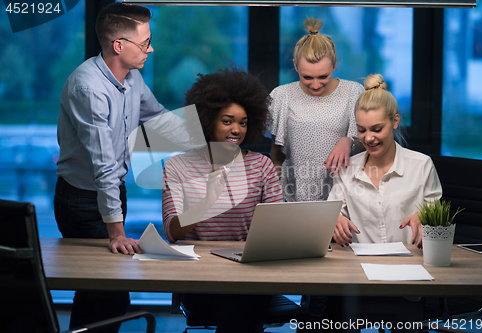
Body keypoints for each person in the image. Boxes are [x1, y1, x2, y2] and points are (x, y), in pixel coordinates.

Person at [54, 3, 191, 332]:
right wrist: (116, 234)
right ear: (119, 45)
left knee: (101, 290)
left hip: (112, 192)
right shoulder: (89, 88)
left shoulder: (133, 79)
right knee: (108, 291)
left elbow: (158, 121)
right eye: (145, 42)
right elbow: (104, 166)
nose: (151, 48)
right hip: (82, 200)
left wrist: (212, 140)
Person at [162, 67, 282, 332]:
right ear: (207, 120)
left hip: (250, 274)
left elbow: (278, 225)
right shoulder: (178, 166)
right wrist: (207, 200)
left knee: (243, 302)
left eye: (243, 122)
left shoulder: (261, 165)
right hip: (200, 276)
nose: (236, 130)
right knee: (240, 309)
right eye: (227, 121)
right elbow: (171, 232)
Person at [323, 74, 442, 331]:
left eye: (377, 129)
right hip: (357, 277)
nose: (368, 138)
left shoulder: (421, 165)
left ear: (395, 121)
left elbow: (438, 216)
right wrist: (335, 219)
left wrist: (427, 218)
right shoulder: (347, 169)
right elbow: (331, 213)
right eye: (361, 130)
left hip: (409, 279)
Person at [269, 17, 364, 203]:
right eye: (306, 77)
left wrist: (349, 140)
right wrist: (274, 197)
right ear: (295, 65)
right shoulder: (282, 95)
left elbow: (367, 146)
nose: (315, 84)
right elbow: (276, 153)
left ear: (335, 64)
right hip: (294, 196)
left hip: (344, 195)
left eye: (323, 76)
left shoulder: (353, 92)